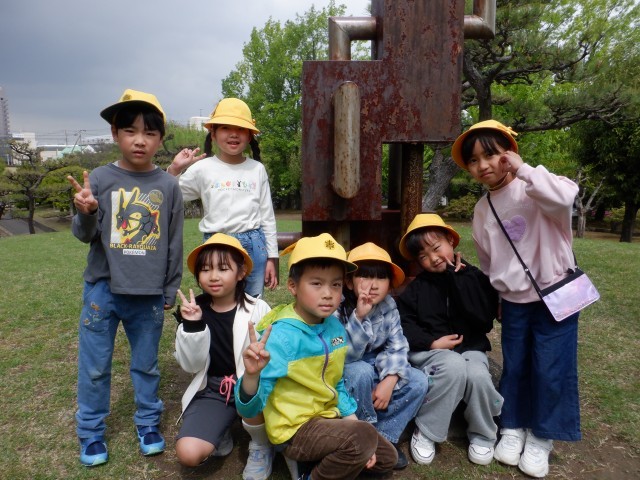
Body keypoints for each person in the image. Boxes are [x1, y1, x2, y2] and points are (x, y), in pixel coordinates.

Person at [450, 120, 581, 478]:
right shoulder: (483, 209)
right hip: (513, 302)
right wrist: (497, 297)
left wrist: (524, 170)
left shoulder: (536, 186)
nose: (483, 165)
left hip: (556, 294)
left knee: (551, 368)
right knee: (517, 365)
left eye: (491, 154)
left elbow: (565, 197)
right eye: (473, 160)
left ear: (509, 152)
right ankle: (512, 426)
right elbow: (489, 261)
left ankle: (541, 437)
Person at [67, 89, 183, 466]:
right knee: (95, 366)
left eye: (150, 132)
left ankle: (148, 423)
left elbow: (174, 241)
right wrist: (86, 211)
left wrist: (170, 286)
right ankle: (91, 432)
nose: (139, 140)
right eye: (130, 131)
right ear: (115, 134)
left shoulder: (168, 186)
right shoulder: (100, 178)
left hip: (148, 295)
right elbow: (84, 235)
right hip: (103, 291)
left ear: (160, 139)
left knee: (146, 365)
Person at [234, 233, 398, 480]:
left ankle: (322, 461)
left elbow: (337, 383)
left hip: (328, 420)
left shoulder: (335, 328)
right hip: (294, 430)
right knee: (363, 439)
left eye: (336, 285)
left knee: (386, 457)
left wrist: (354, 424)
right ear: (293, 286)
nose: (328, 293)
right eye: (317, 284)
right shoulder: (280, 337)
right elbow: (249, 407)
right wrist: (251, 376)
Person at [396, 213, 502, 467]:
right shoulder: (417, 288)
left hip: (470, 348)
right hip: (429, 351)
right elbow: (404, 324)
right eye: (423, 256)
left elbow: (483, 319)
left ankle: (483, 434)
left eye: (436, 248)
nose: (433, 258)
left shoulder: (473, 277)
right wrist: (431, 343)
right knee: (453, 366)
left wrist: (457, 280)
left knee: (478, 375)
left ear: (451, 242)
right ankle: (427, 429)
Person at [173, 233, 273, 480]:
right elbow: (191, 365)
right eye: (205, 269)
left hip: (253, 386)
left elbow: (272, 357)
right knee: (188, 453)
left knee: (253, 391)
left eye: (223, 268)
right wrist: (192, 325)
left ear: (241, 273)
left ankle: (261, 445)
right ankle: (221, 429)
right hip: (214, 389)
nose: (213, 276)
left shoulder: (258, 309)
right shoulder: (194, 311)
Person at [167, 98, 278, 298]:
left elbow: (267, 217)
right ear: (213, 134)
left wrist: (272, 257)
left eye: (241, 128)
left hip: (253, 244)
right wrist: (175, 169)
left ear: (250, 135)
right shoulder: (202, 168)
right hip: (215, 245)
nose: (234, 134)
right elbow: (171, 194)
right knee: (217, 302)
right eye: (226, 127)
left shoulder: (257, 169)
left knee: (252, 303)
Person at [336, 242, 428, 470]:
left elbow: (398, 345)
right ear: (349, 282)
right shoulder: (338, 307)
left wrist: (392, 377)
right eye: (365, 276)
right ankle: (362, 437)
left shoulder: (388, 306)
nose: (374, 284)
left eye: (381, 277)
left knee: (418, 381)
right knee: (361, 371)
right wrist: (359, 317)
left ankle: (384, 436)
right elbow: (345, 356)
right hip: (346, 373)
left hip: (377, 367)